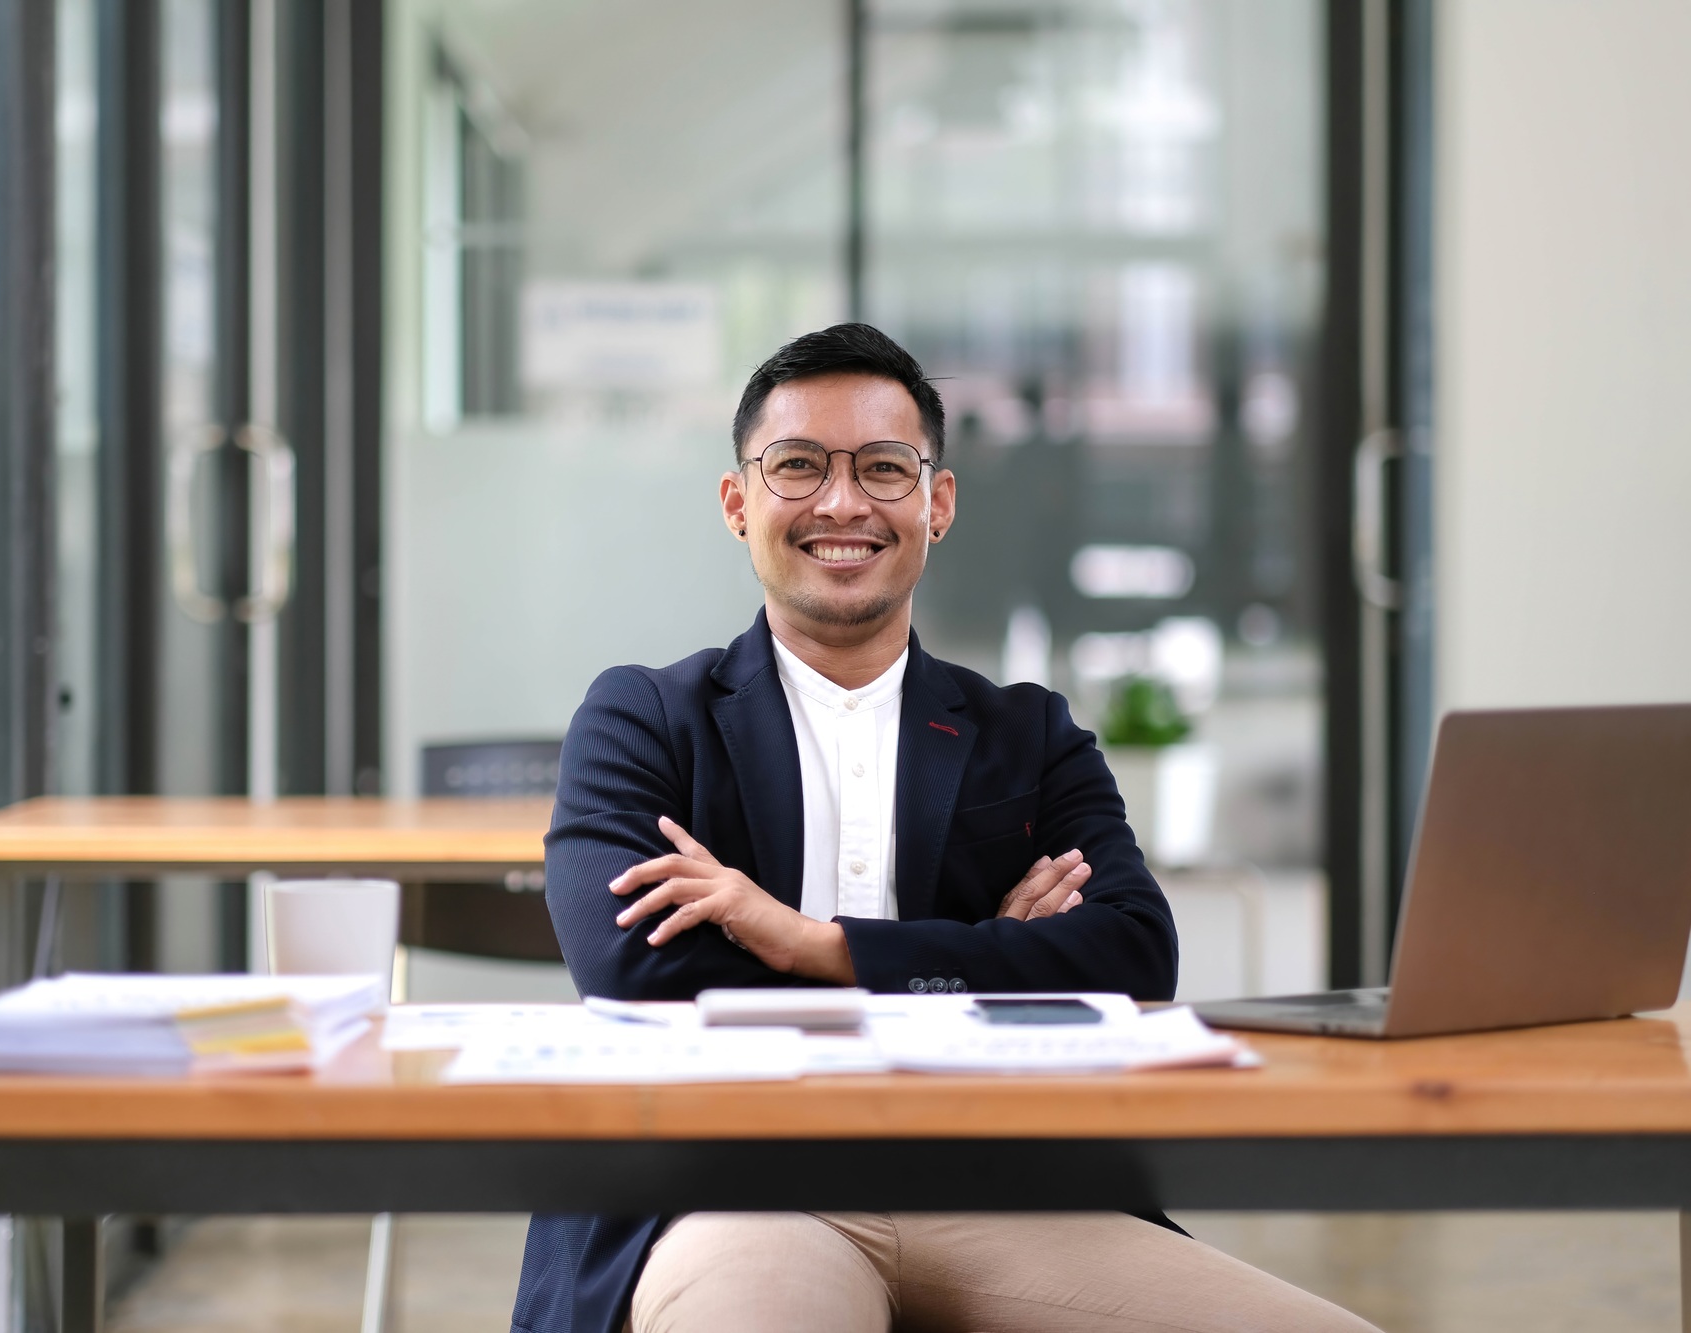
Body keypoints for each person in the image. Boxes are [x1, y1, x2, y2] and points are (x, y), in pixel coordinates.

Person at [510, 324, 1377, 1333]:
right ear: (737, 503)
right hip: (724, 1181)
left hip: (987, 1181)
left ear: (938, 503)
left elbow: (1132, 955)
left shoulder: (1027, 734)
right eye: (797, 466)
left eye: (884, 468)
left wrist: (815, 942)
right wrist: (997, 956)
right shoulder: (644, 718)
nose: (842, 503)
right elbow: (636, 972)